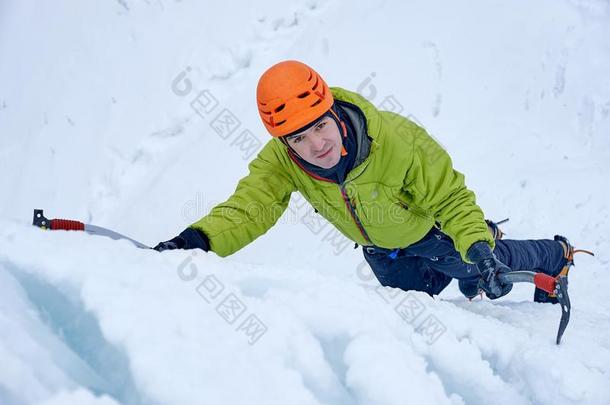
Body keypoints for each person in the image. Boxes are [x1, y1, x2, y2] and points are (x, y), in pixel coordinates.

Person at [155, 60, 592, 302]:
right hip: (380, 245)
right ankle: (463, 271)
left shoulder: (396, 142)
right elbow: (249, 206)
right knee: (414, 300)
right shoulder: (282, 162)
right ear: (283, 140)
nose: (316, 145)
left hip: (431, 229)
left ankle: (552, 254)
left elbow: (451, 198)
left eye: (320, 126)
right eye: (298, 138)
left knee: (485, 260)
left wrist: (478, 250)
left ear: (332, 111)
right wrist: (197, 240)